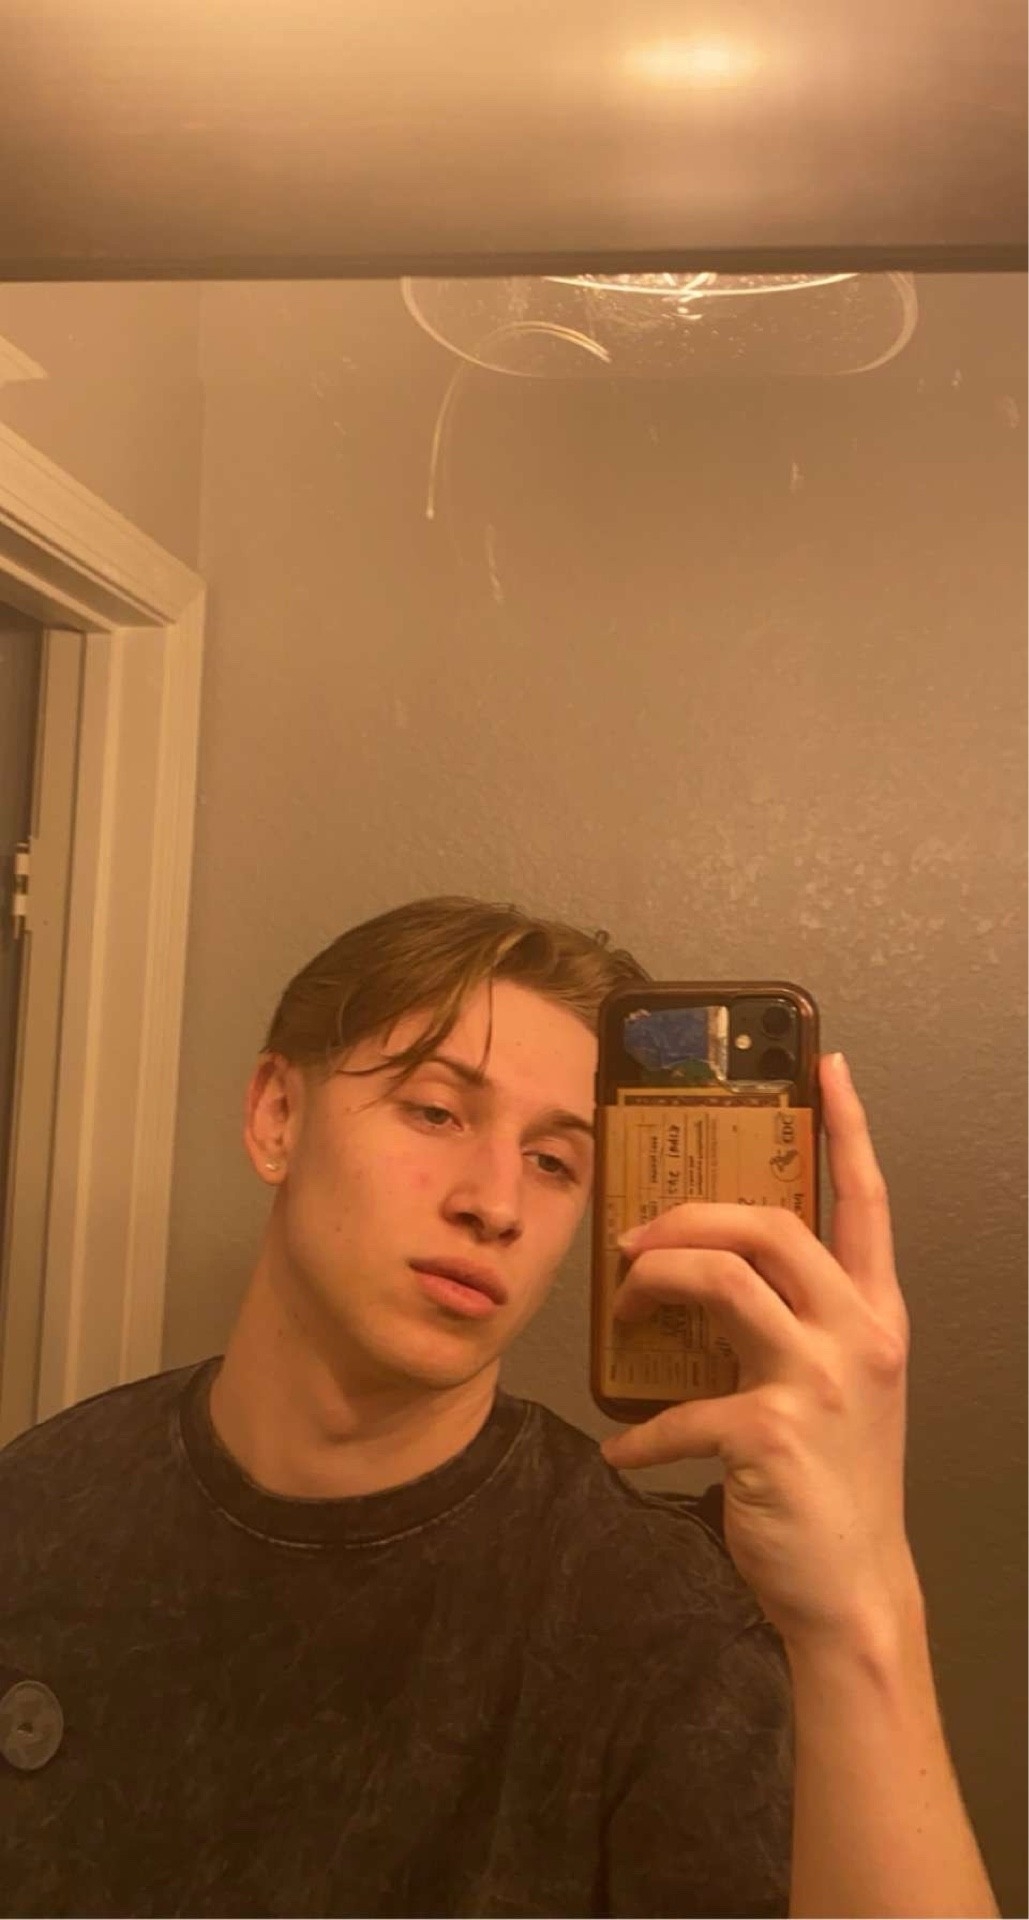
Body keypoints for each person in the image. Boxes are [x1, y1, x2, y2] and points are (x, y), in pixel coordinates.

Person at [0, 895, 997, 1919]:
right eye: (436, 1112)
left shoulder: (654, 1619)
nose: (495, 1203)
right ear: (277, 1118)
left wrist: (860, 1609)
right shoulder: (44, 1503)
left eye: (554, 1162)